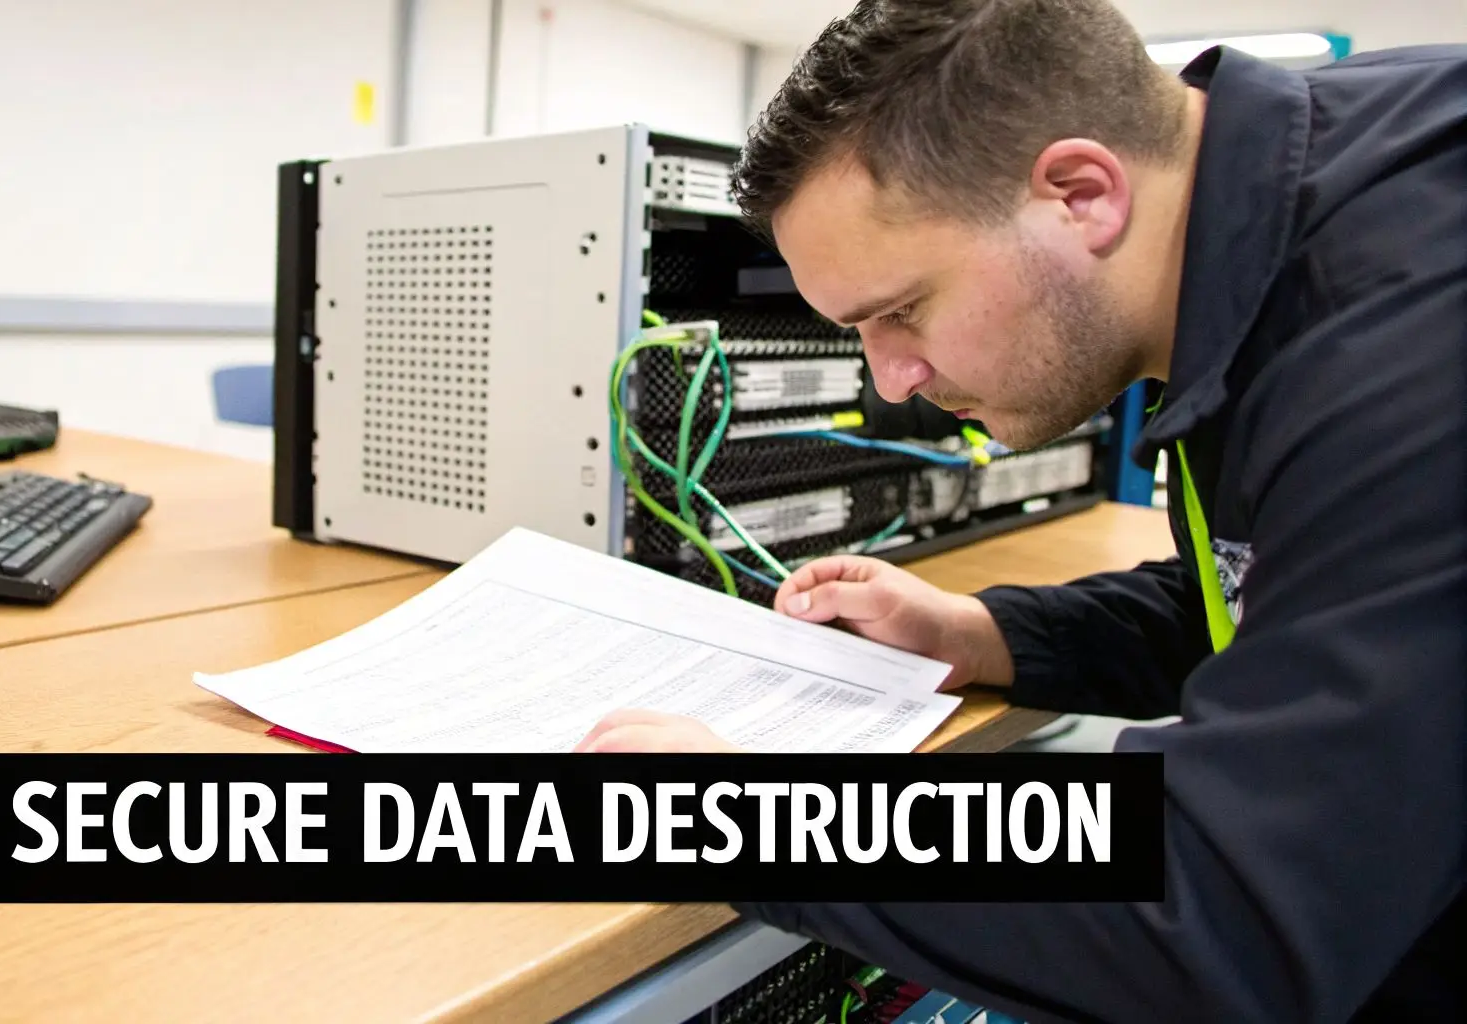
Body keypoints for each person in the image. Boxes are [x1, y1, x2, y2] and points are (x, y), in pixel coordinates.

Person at [574, 0, 1466, 1019]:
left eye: (901, 309)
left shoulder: (1407, 329)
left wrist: (738, 818)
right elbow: (1285, 595)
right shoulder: (1281, 218)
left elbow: (1225, 910)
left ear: (1081, 194)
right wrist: (989, 634)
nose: (894, 380)